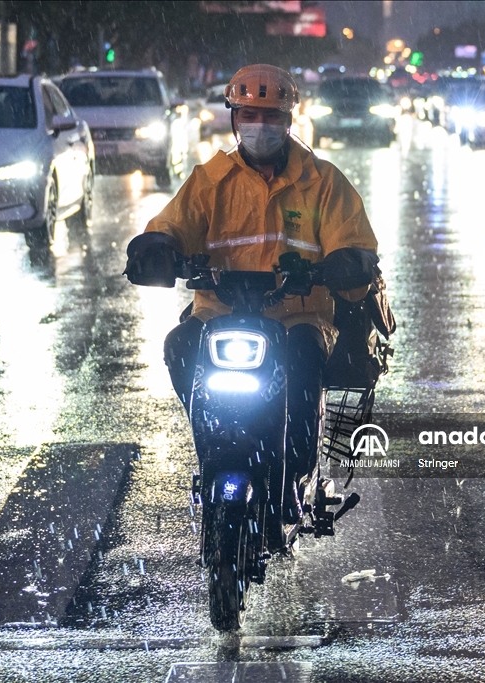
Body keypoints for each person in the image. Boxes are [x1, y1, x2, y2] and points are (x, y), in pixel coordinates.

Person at [124, 64, 382, 522]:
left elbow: (354, 242)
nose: (260, 126)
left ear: (288, 121)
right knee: (179, 347)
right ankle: (210, 446)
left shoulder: (323, 182)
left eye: (271, 117)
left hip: (299, 318)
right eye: (249, 115)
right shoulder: (210, 180)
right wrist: (159, 249)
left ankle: (293, 478)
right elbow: (172, 225)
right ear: (234, 119)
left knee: (303, 367)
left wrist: (344, 262)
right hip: (219, 313)